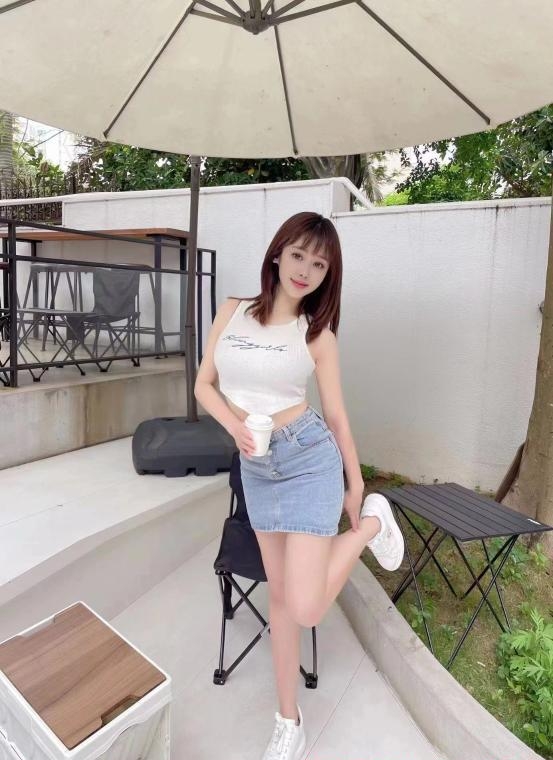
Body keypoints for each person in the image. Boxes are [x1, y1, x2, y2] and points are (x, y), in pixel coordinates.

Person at [194, 211, 404, 760]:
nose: (305, 270)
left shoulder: (316, 335)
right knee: (282, 599)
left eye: (319, 264)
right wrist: (235, 427)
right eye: (298, 255)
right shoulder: (232, 311)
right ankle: (289, 720)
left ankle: (373, 523)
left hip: (309, 459)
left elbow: (336, 417)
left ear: (328, 274)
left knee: (307, 607)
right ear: (277, 253)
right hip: (258, 467)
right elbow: (203, 384)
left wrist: (355, 484)